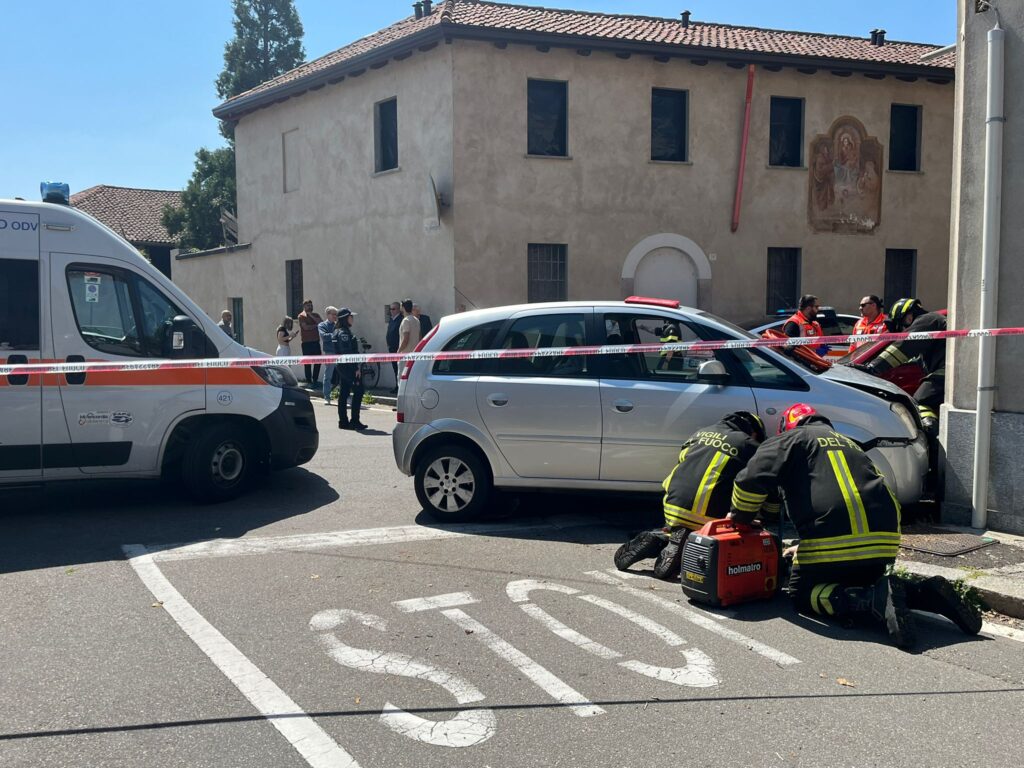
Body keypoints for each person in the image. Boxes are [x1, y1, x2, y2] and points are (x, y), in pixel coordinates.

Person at [728, 403, 980, 649]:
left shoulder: (789, 440)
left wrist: (740, 518)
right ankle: (925, 593)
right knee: (865, 580)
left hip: (833, 539)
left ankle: (868, 600)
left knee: (803, 594)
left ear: (789, 426)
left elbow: (750, 480)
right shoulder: (851, 444)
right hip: (885, 537)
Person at [614, 411, 772, 580]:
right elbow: (756, 483)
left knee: (686, 523)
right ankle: (685, 546)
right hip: (707, 517)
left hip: (671, 506)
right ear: (754, 431)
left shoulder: (700, 433)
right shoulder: (749, 445)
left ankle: (665, 537)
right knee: (726, 534)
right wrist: (759, 516)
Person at [862, 298, 945, 437]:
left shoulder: (928, 320)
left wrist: (872, 368)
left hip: (944, 374)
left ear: (908, 317)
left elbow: (904, 348)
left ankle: (933, 442)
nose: (905, 331)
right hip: (947, 375)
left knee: (921, 402)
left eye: (902, 327)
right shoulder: (933, 322)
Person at [334, 308, 366, 430]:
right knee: (358, 392)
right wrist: (355, 368)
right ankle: (354, 421)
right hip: (348, 368)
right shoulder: (344, 333)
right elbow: (347, 353)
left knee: (344, 393)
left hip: (342, 368)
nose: (352, 318)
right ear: (345, 318)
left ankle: (343, 421)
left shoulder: (339, 331)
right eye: (351, 316)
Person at [297, 299, 323, 386]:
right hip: (306, 343)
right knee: (307, 363)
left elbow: (321, 323)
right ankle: (309, 381)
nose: (310, 307)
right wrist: (316, 325)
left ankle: (315, 380)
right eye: (308, 305)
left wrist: (311, 316)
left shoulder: (316, 315)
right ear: (304, 307)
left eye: (311, 305)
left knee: (318, 361)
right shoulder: (301, 316)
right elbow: (306, 327)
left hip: (316, 342)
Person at [319, 307, 340, 405]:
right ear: (327, 314)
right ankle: (327, 396)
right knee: (328, 375)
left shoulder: (338, 325)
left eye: (336, 314)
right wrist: (335, 334)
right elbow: (324, 336)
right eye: (333, 314)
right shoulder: (322, 325)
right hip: (330, 353)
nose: (335, 316)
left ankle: (344, 396)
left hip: (339, 352)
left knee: (343, 374)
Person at [386, 301, 402, 393]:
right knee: (395, 368)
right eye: (390, 309)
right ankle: (397, 385)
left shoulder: (400, 320)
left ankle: (399, 386)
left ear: (398, 309)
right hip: (392, 348)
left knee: (398, 369)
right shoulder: (392, 320)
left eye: (393, 309)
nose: (391, 311)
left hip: (398, 348)